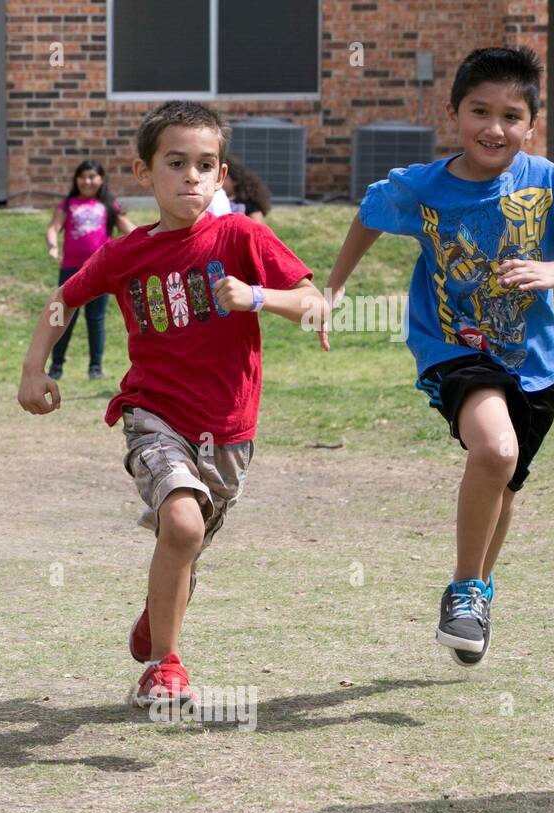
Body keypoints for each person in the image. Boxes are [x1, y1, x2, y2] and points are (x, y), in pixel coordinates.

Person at [18, 100, 325, 710]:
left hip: (230, 430)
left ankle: (160, 615)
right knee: (181, 524)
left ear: (221, 175)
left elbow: (316, 302)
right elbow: (64, 298)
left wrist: (258, 297)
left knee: (184, 545)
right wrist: (33, 368)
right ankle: (165, 666)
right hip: (153, 415)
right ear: (143, 173)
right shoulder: (125, 253)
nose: (192, 176)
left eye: (206, 164)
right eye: (176, 162)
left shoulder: (243, 236)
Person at [325, 46, 554, 667]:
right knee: (496, 451)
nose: (495, 127)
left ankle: (474, 596)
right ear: (452, 112)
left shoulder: (548, 182)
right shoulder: (424, 186)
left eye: (512, 115)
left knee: (503, 484)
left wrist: (553, 269)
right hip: (454, 349)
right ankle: (465, 587)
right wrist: (335, 286)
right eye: (480, 111)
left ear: (531, 125)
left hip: (536, 361)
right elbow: (370, 213)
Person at [44, 159, 135, 380]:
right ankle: (56, 366)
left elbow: (129, 229)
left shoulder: (109, 205)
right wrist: (53, 245)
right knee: (62, 318)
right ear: (76, 179)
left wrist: (150, 241)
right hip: (70, 271)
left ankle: (95, 367)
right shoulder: (68, 204)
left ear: (101, 179)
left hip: (100, 272)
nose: (87, 181)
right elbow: (53, 228)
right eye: (83, 176)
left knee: (96, 319)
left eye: (92, 176)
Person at [223, 155, 271, 222]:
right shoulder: (216, 200)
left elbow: (256, 229)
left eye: (224, 177)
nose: (219, 180)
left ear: (235, 180)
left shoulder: (250, 205)